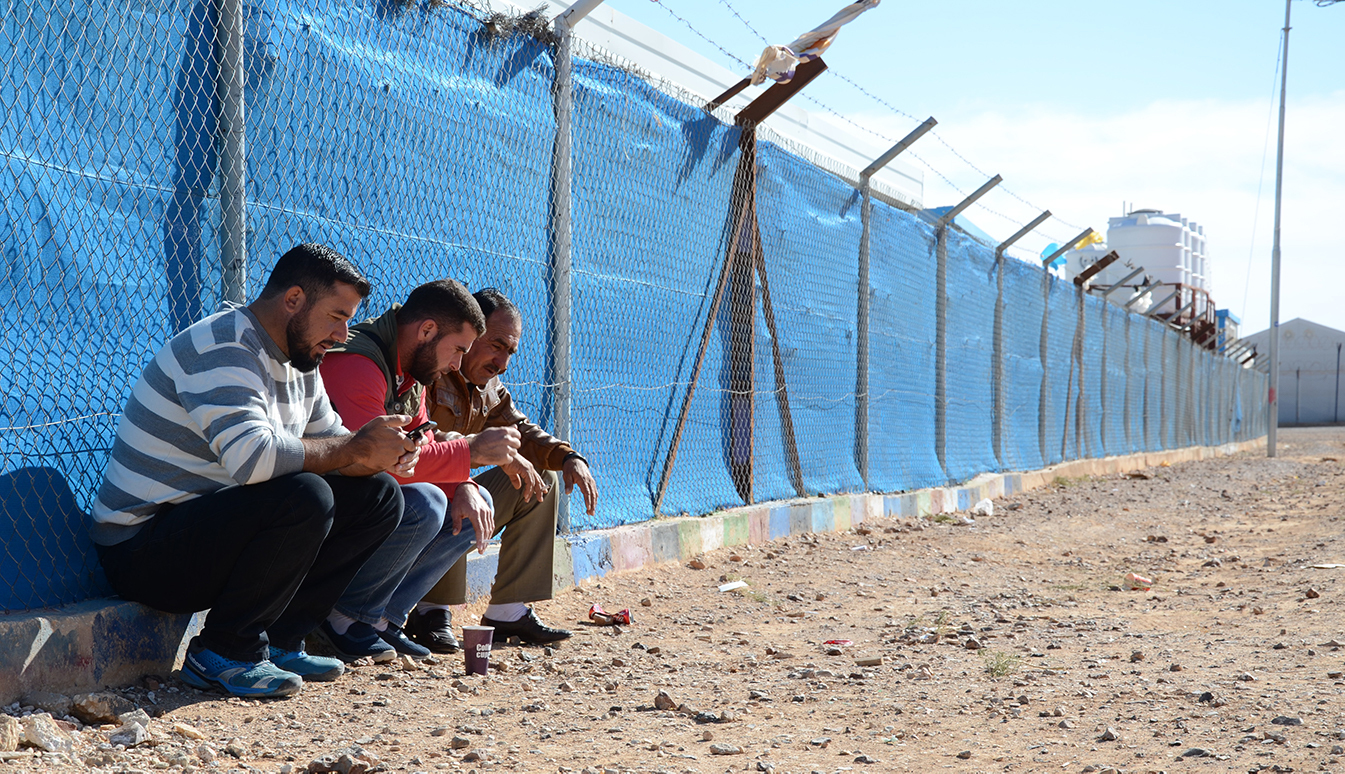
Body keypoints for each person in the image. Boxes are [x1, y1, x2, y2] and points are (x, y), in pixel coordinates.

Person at [90, 243, 415, 698]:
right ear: (294, 299)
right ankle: (223, 652)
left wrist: (380, 455)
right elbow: (253, 460)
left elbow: (338, 445)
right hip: (142, 550)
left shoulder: (301, 357)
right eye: (337, 316)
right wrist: (354, 448)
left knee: (379, 496)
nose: (343, 334)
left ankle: (280, 641)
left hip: (208, 528)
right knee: (304, 495)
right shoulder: (224, 346)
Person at [316, 279, 515, 661]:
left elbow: (422, 440)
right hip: (318, 510)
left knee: (474, 503)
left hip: (363, 503)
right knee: (424, 502)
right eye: (457, 350)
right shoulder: (357, 363)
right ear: (426, 330)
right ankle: (341, 615)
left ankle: (381, 621)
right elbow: (382, 462)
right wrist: (471, 451)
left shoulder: (413, 369)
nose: (458, 364)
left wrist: (465, 484)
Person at [409, 288, 598, 649]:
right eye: (496, 345)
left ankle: (507, 612)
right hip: (414, 499)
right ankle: (431, 609)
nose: (503, 362)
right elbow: (420, 438)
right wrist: (463, 467)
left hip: (450, 487)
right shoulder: (429, 369)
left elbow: (521, 432)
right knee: (456, 488)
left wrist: (568, 457)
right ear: (470, 332)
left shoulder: (488, 384)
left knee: (539, 475)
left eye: (510, 351)